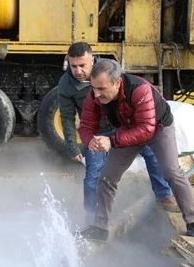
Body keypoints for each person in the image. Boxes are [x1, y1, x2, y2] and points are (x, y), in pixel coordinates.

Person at [77, 59, 194, 241]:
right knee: (106, 177)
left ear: (117, 82)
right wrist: (89, 141)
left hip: (158, 128)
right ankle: (100, 228)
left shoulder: (139, 89)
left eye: (102, 89)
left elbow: (146, 130)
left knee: (171, 172)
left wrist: (112, 141)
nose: (97, 95)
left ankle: (193, 222)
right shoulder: (94, 96)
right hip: (127, 129)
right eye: (94, 88)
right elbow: (86, 125)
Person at [57, 42, 179, 225]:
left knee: (152, 155)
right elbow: (67, 116)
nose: (78, 71)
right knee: (92, 177)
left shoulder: (110, 68)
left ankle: (163, 195)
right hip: (98, 132)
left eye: (82, 65)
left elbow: (129, 91)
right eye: (73, 66)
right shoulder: (66, 84)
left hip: (124, 125)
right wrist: (72, 146)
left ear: (92, 59)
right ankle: (91, 217)